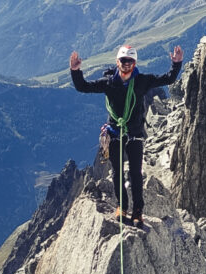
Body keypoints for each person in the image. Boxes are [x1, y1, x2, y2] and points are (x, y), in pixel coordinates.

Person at [69, 42, 183, 227]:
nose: (126, 64)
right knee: (117, 174)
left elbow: (168, 79)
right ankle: (122, 207)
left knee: (135, 174)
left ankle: (137, 211)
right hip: (115, 133)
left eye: (130, 61)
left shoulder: (141, 81)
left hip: (134, 134)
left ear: (135, 63)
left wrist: (176, 64)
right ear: (117, 62)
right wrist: (75, 71)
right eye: (123, 60)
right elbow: (83, 86)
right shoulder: (109, 82)